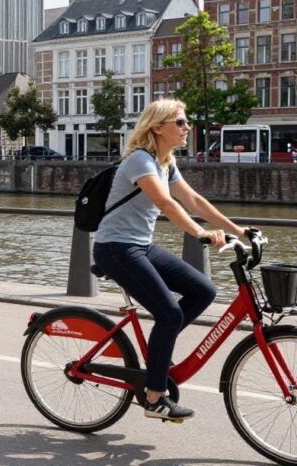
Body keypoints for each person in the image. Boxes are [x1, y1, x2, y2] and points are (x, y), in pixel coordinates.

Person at [93, 99, 248, 422]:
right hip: (115, 248)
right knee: (169, 314)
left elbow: (192, 199)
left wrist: (238, 230)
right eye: (179, 122)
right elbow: (165, 202)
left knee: (203, 291)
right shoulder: (139, 160)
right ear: (157, 127)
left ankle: (159, 352)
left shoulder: (166, 162)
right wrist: (199, 233)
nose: (187, 127)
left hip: (140, 245)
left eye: (186, 121)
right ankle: (154, 397)